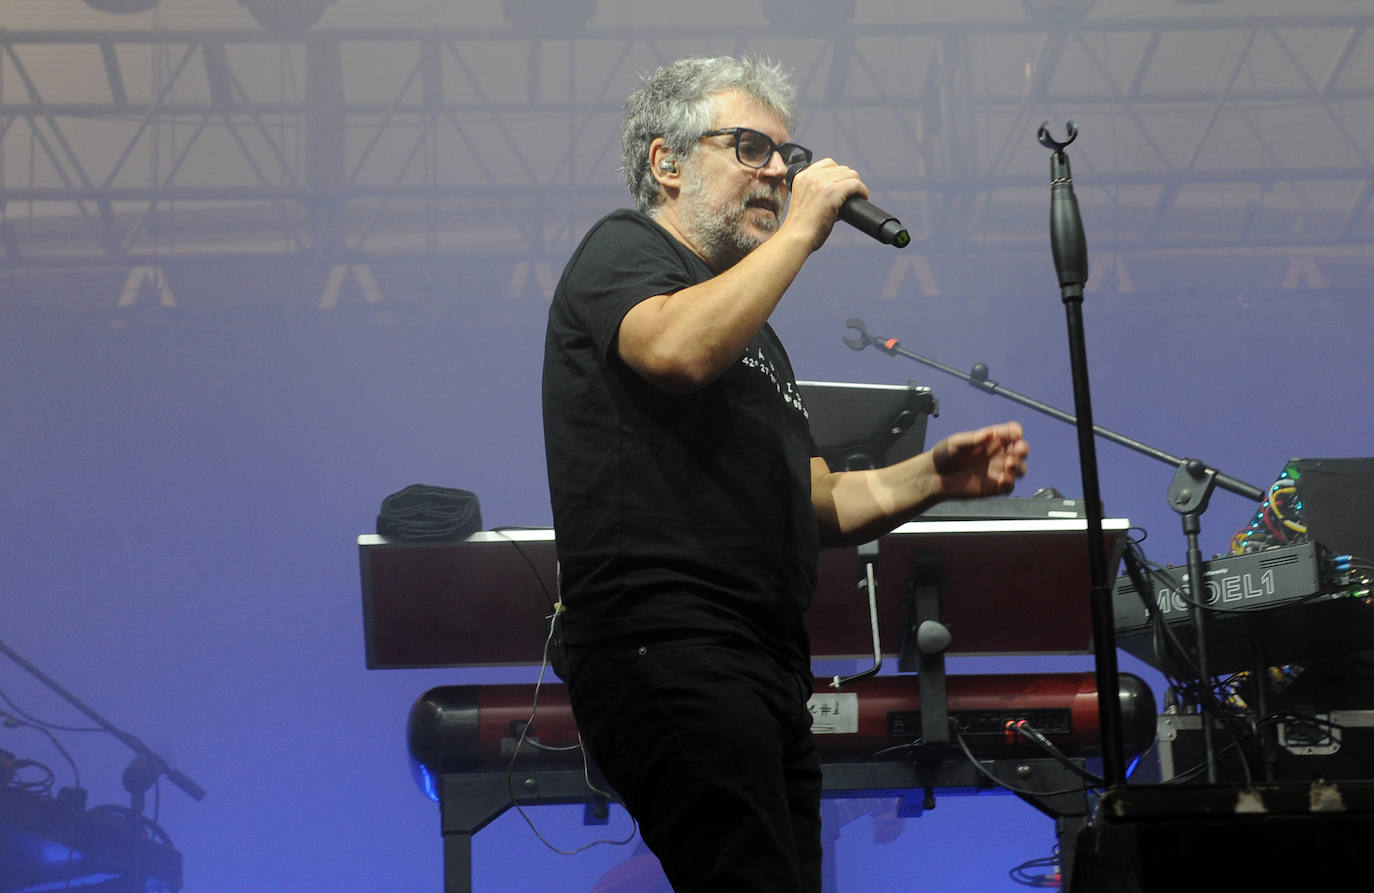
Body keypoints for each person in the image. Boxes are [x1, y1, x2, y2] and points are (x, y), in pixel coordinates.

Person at [541, 55, 1029, 892]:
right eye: (751, 148)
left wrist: (932, 478)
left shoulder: (756, 338)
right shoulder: (624, 250)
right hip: (666, 640)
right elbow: (673, 349)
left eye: (786, 155)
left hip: (763, 659)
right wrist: (804, 228)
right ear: (667, 163)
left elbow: (815, 498)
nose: (778, 171)